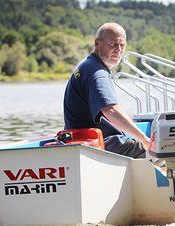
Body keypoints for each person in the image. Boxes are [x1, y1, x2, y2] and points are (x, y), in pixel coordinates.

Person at [63, 23, 150, 158]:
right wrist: (145, 140)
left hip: (83, 142)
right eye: (113, 44)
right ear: (97, 44)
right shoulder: (97, 72)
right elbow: (110, 110)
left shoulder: (87, 64)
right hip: (100, 146)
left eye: (122, 45)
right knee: (160, 151)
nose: (119, 49)